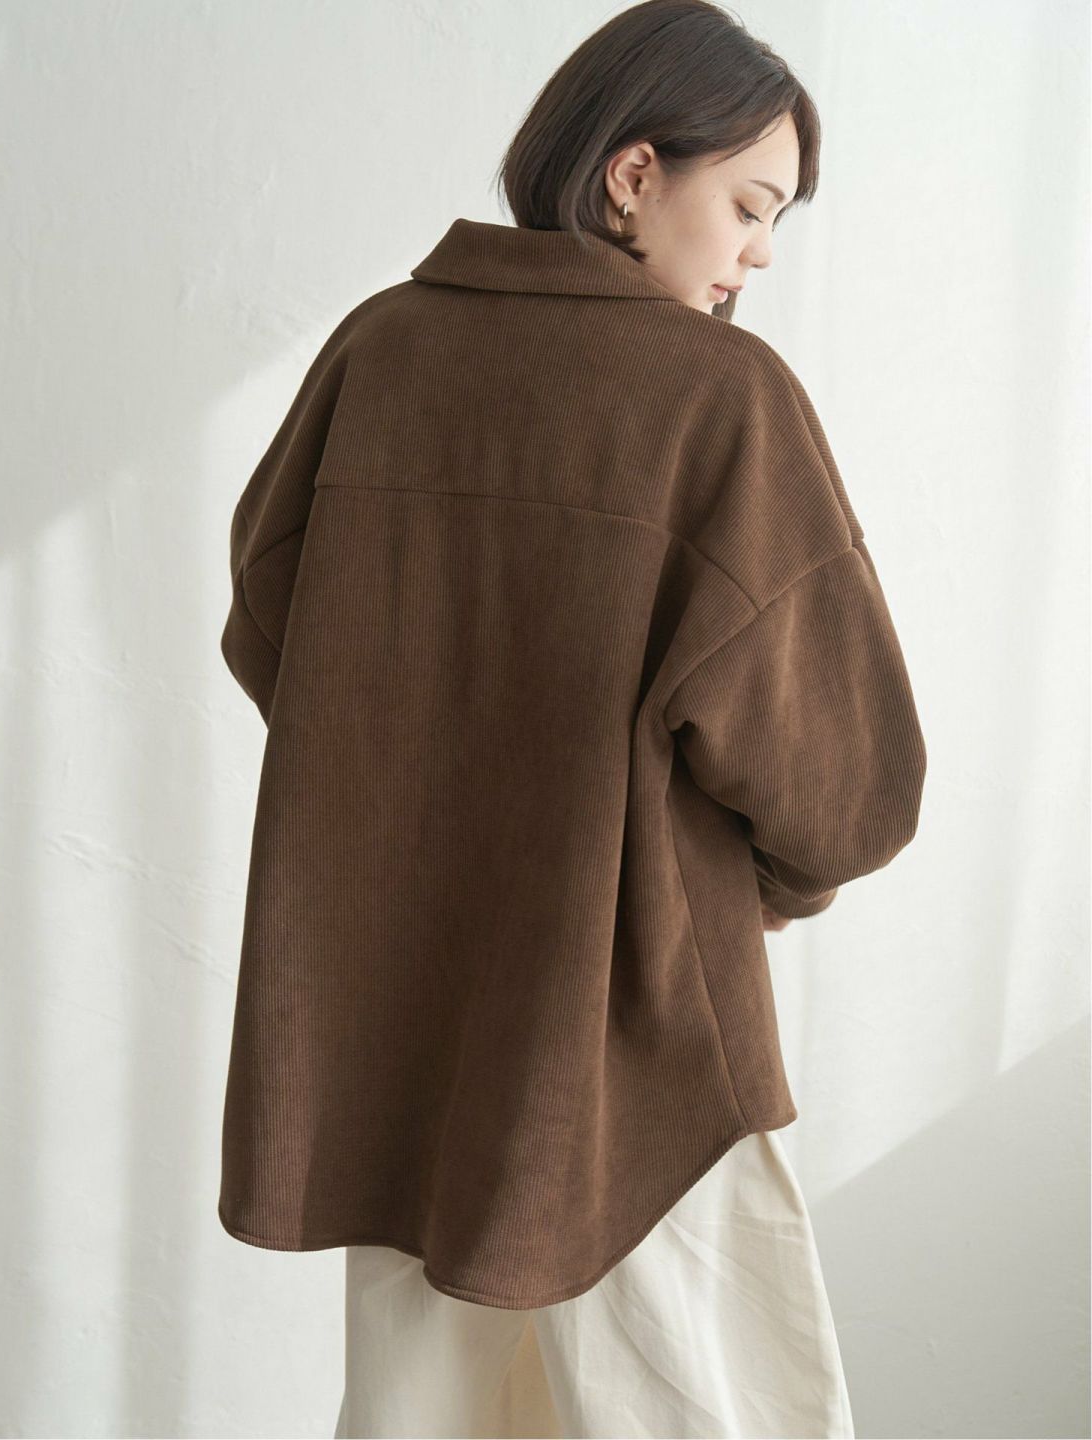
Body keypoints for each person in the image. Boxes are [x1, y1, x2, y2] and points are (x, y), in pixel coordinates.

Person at [216, 2, 927, 1435]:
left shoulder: (380, 348)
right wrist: (763, 883)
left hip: (403, 1017)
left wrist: (416, 768)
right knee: (710, 1404)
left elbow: (272, 621)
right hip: (639, 1049)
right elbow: (844, 779)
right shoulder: (719, 399)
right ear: (632, 174)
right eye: (750, 205)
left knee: (427, 1411)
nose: (760, 254)